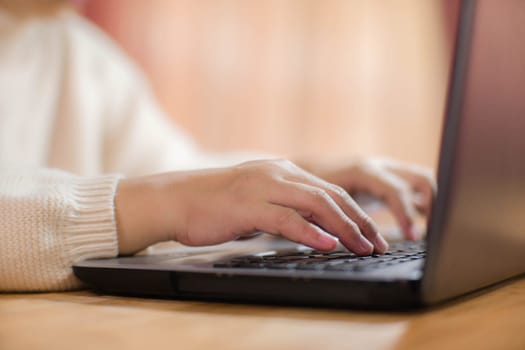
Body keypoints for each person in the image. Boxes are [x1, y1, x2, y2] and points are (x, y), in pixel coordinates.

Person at [0, 1, 435, 292]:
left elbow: (168, 178)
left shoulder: (78, 52)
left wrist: (304, 179)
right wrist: (171, 203)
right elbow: (163, 200)